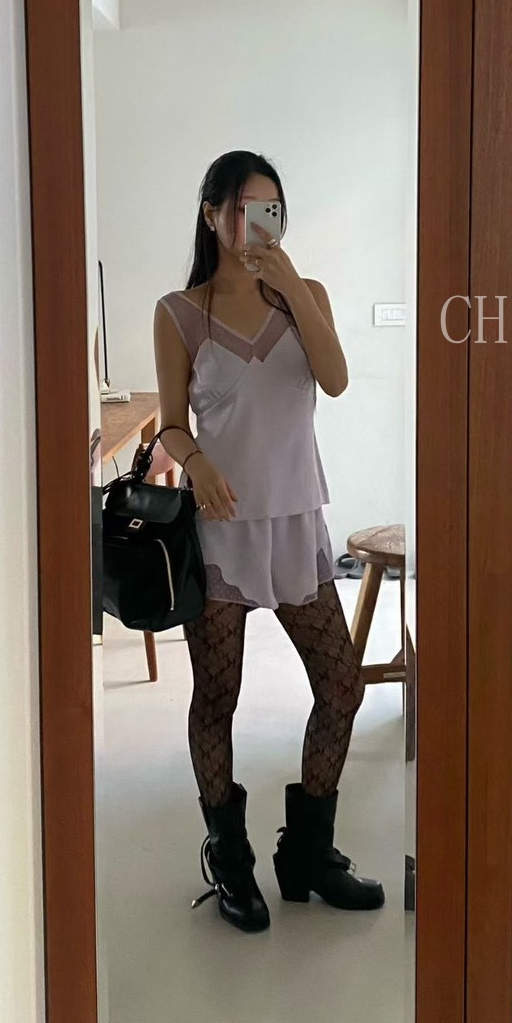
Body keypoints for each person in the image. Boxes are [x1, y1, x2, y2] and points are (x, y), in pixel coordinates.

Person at [153, 149, 385, 933]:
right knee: (217, 698)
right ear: (211, 215)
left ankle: (308, 854)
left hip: (294, 527)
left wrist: (287, 284)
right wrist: (196, 462)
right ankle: (229, 857)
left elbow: (337, 379)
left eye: (270, 210)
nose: (256, 223)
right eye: (241, 209)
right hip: (220, 534)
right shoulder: (179, 312)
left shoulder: (304, 295)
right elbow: (172, 425)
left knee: (341, 686)